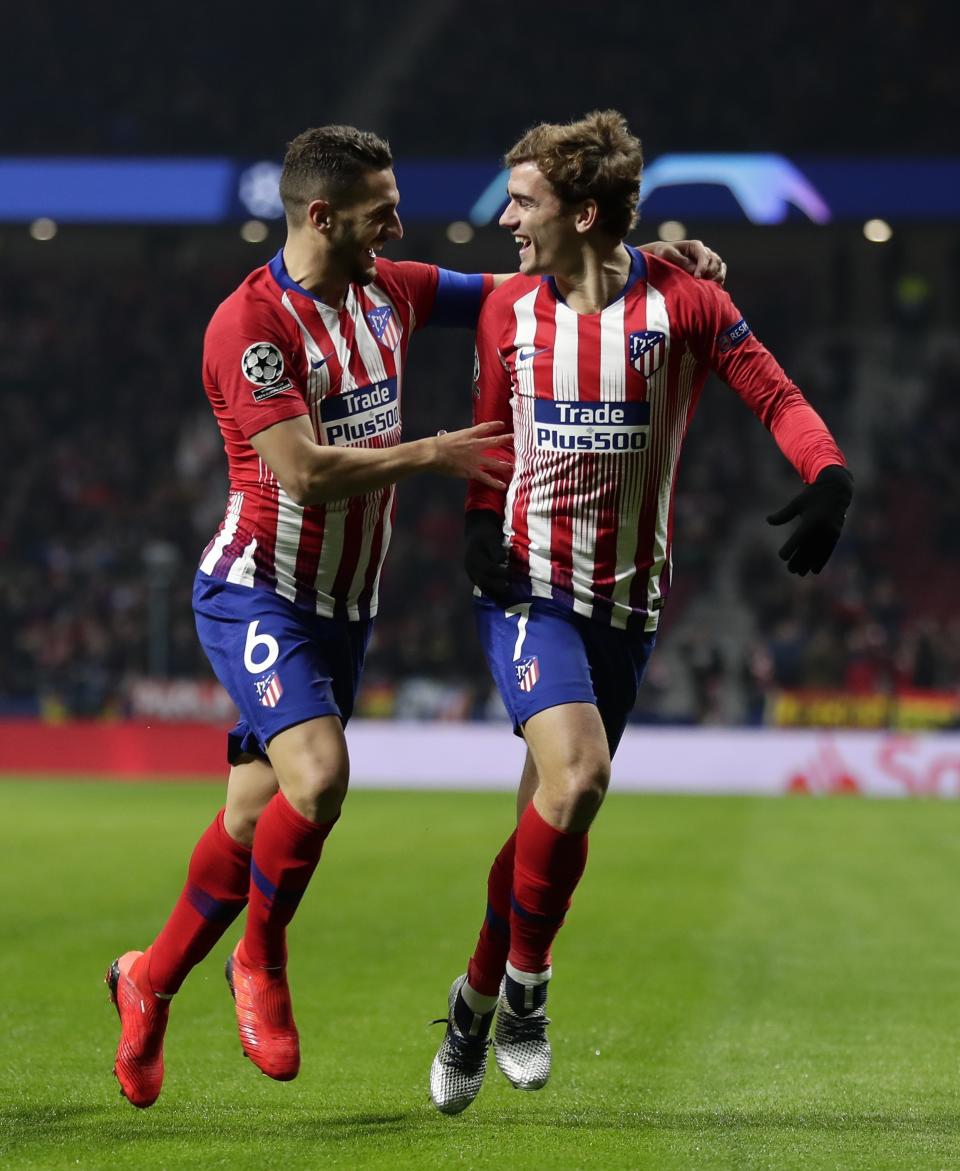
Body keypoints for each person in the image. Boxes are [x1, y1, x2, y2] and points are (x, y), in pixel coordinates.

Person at [106, 122, 727, 1109]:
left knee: (249, 816)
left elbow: (539, 279)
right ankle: (257, 963)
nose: (400, 220)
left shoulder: (392, 288)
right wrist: (434, 454)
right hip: (257, 586)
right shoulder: (251, 326)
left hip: (345, 608)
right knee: (319, 777)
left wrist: (648, 260)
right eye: (379, 208)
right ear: (322, 215)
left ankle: (148, 980)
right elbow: (303, 471)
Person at [428, 110, 852, 1115]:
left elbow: (775, 394)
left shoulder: (683, 306)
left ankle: (476, 1000)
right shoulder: (507, 313)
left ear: (583, 213)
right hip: (531, 592)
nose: (507, 221)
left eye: (523, 203)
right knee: (578, 780)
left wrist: (829, 472)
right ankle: (528, 987)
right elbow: (492, 426)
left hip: (630, 602)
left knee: (552, 810)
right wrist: (480, 524)